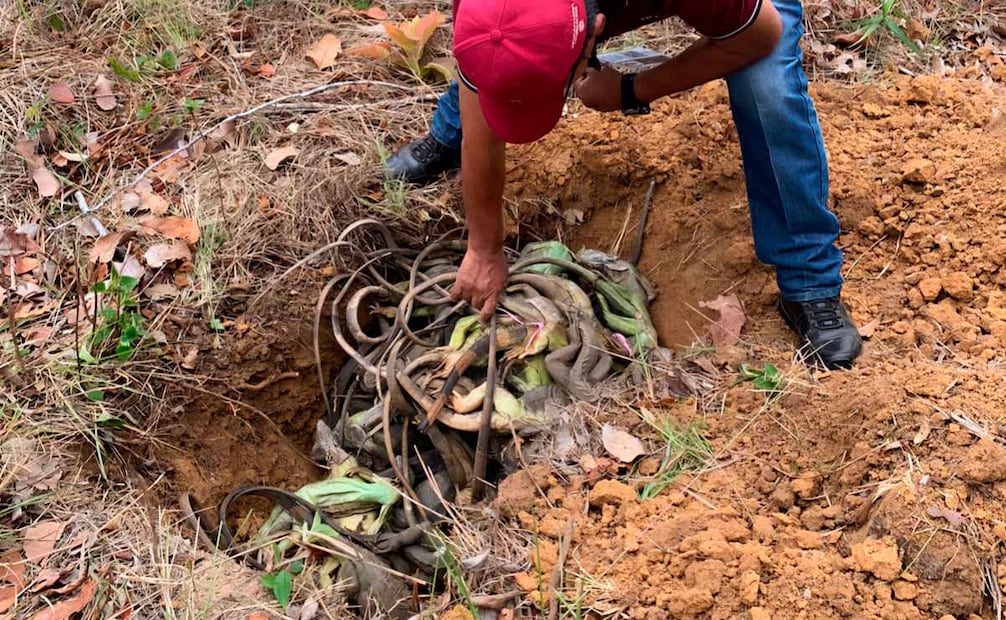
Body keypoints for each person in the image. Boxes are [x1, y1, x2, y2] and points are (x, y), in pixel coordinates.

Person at [386, 0, 863, 370]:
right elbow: (495, 55)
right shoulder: (485, 8)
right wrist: (484, 248)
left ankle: (809, 280)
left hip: (742, 19)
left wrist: (632, 90)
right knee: (508, 50)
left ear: (594, 36)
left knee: (768, 92)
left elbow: (756, 37)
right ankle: (448, 135)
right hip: (545, 18)